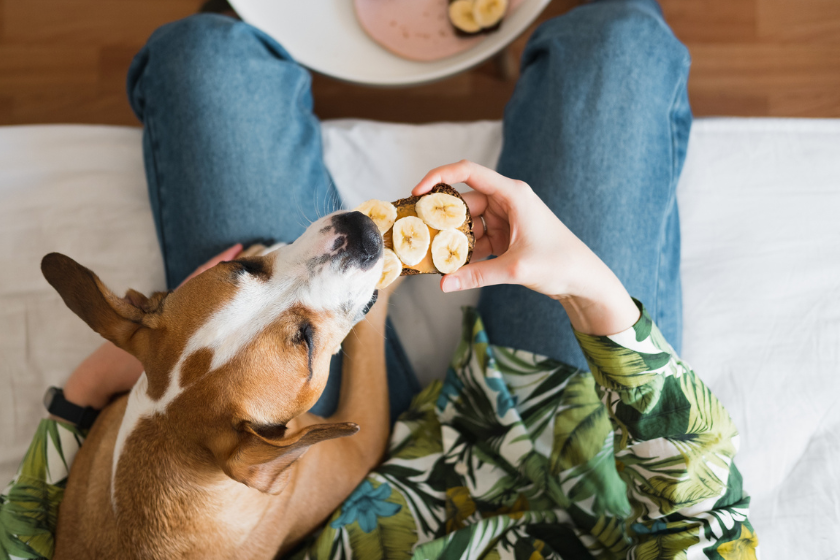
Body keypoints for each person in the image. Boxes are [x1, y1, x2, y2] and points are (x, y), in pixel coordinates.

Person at [0, 0, 759, 558]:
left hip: (303, 478)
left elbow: (25, 539)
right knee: (615, 44)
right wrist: (595, 293)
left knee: (203, 57)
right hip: (570, 433)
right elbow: (710, 530)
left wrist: (81, 400)